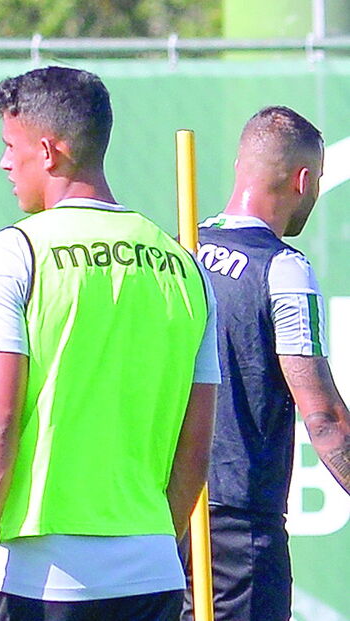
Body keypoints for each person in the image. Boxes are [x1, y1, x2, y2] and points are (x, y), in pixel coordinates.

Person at [0, 66, 221, 621]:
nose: (4, 163)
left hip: (38, 576)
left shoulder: (12, 253)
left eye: (11, 147)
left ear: (48, 152)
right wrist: (153, 548)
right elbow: (196, 447)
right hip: (152, 572)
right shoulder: (185, 268)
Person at [183, 106, 350, 621]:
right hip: (239, 530)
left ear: (240, 166)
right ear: (304, 181)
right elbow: (324, 419)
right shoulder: (283, 267)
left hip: (163, 517)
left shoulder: (177, 251)